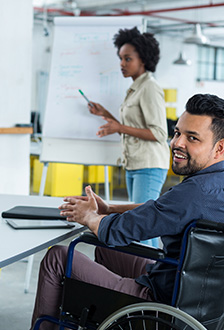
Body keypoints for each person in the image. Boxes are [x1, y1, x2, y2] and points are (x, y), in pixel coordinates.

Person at [30, 94, 224, 330]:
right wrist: (110, 208)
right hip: (200, 300)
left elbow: (115, 231)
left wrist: (88, 216)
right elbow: (166, 210)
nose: (177, 143)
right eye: (177, 133)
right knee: (109, 253)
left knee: (59, 257)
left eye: (192, 138)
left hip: (162, 305)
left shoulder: (193, 193)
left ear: (220, 147)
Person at [87, 27, 170, 247]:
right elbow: (131, 125)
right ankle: (145, 274)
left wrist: (118, 128)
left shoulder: (149, 88)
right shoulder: (136, 87)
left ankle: (149, 275)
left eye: (127, 58)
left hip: (149, 164)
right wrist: (105, 114)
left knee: (145, 225)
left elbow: (160, 133)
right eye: (120, 59)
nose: (122, 64)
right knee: (141, 221)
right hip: (135, 163)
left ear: (143, 59)